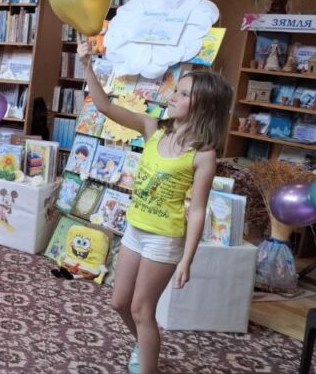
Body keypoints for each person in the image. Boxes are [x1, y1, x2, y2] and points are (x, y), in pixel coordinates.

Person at [78, 37, 232, 374]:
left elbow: (197, 210)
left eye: (183, 94)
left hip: (164, 239)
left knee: (141, 310)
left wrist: (187, 259)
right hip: (135, 229)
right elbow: (104, 107)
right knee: (119, 302)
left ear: (204, 106)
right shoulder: (153, 128)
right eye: (176, 90)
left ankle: (148, 360)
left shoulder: (203, 155)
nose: (173, 96)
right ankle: (146, 345)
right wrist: (87, 65)